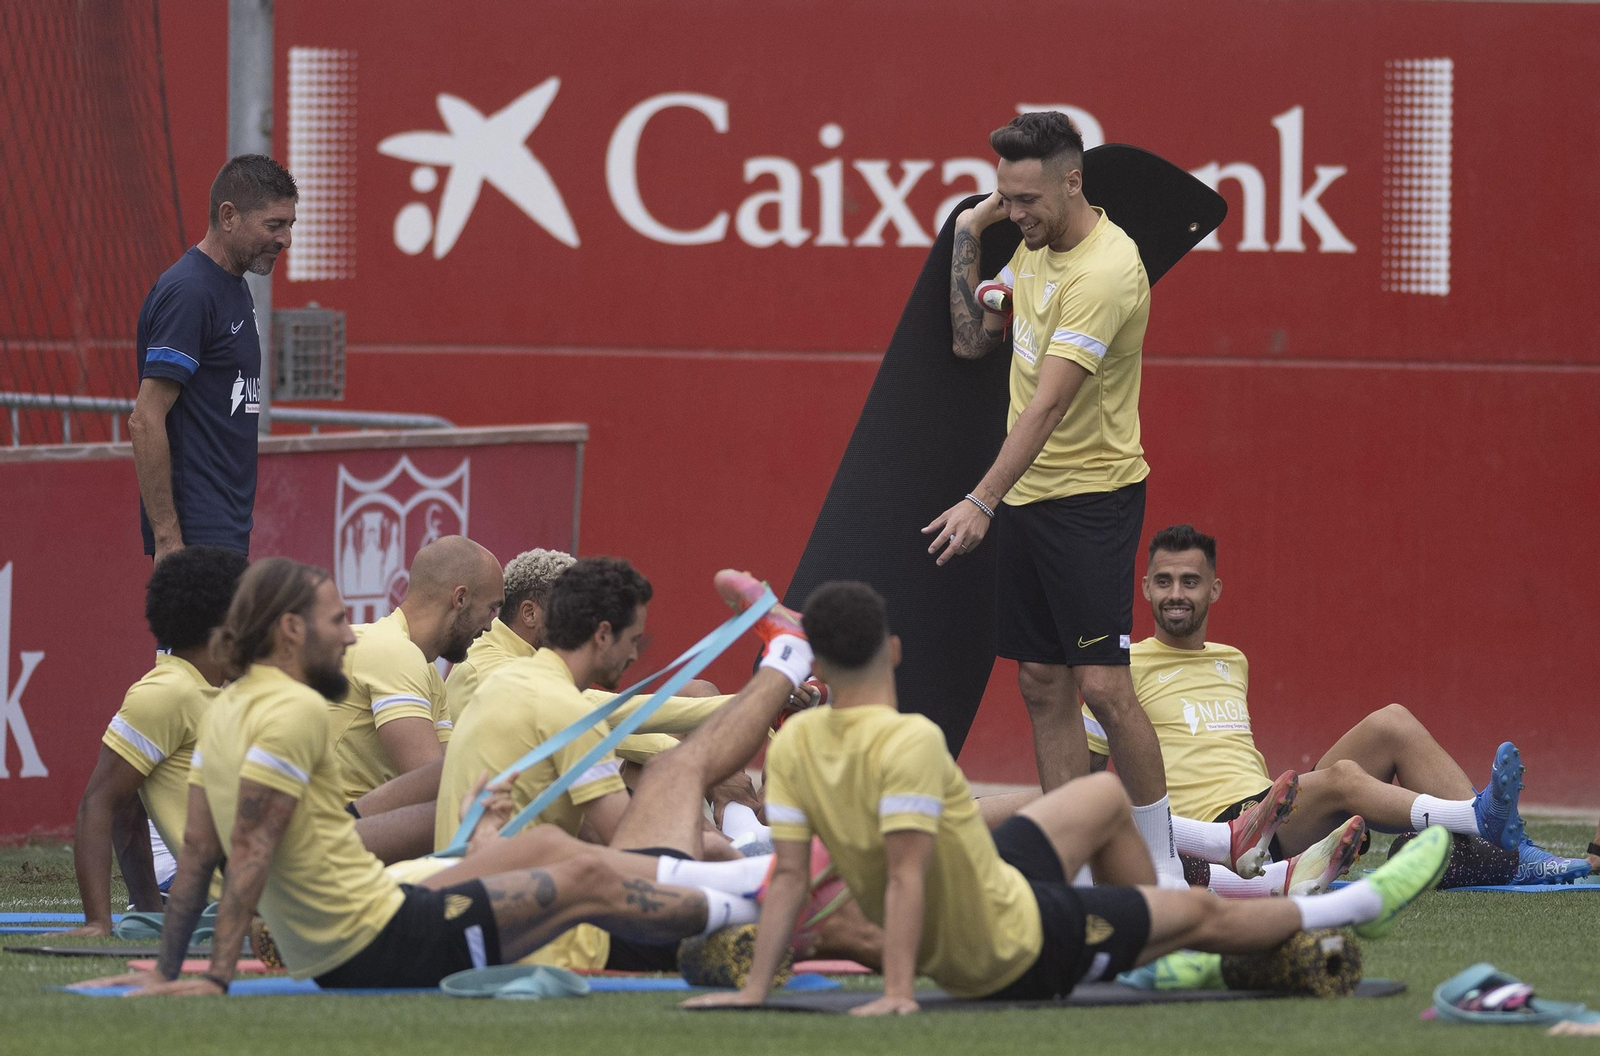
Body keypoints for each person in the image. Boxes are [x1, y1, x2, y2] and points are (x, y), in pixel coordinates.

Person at [684, 581, 1452, 1015]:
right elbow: (908, 873)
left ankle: (1158, 919)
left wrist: (755, 991)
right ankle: (1350, 907)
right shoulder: (909, 739)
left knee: (1102, 801)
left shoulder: (792, 746)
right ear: (892, 651)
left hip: (992, 881)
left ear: (818, 664)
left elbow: (789, 876)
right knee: (1209, 915)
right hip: (1008, 944)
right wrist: (898, 995)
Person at [72, 558, 770, 995]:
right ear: (290, 630)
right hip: (377, 942)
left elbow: (202, 854)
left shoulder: (230, 712)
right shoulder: (289, 713)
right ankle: (763, 896)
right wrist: (213, 979)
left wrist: (173, 971)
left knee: (553, 851)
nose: (351, 635)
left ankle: (758, 885)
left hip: (372, 919)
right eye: (338, 621)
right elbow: (248, 851)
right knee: (584, 872)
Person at [924, 110, 1178, 886]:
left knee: (1103, 686)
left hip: (1090, 501)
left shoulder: (1107, 270)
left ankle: (1163, 866)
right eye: (1007, 199)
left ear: (1073, 182)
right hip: (1028, 497)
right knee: (1042, 682)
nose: (1018, 214)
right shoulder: (1031, 250)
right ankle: (1070, 866)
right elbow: (974, 342)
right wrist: (971, 232)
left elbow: (1048, 407)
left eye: (1028, 200)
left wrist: (980, 501)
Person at [1086, 525, 1590, 886]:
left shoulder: (1232, 660)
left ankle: (1499, 851)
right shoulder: (1118, 669)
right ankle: (1476, 820)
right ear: (1147, 587)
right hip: (1216, 831)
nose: (1176, 594)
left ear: (1214, 590)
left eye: (1189, 581)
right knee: (1344, 778)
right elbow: (1084, 772)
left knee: (1392, 722)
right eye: (1165, 581)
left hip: (1270, 805)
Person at [54, 547, 247, 936]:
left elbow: (127, 814)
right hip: (247, 904)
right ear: (223, 627)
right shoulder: (166, 692)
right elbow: (102, 803)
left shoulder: (219, 693)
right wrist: (98, 923)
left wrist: (151, 915)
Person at [130, 155, 296, 562]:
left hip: (225, 531)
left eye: (291, 225)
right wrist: (169, 542)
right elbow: (145, 419)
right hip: (195, 539)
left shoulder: (232, 286)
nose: (286, 240)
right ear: (228, 216)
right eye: (274, 225)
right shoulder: (190, 292)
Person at [328, 535, 503, 803]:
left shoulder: (428, 672)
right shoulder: (395, 652)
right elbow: (435, 791)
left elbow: (449, 776)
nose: (490, 626)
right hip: (324, 833)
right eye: (491, 609)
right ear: (461, 598)